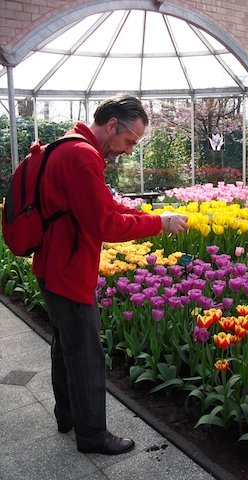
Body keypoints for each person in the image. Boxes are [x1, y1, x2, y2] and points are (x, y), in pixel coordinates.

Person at [32, 94, 188, 455]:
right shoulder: (84, 156)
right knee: (85, 355)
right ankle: (92, 436)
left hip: (53, 264)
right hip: (69, 271)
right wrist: (159, 223)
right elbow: (103, 223)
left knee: (66, 347)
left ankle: (66, 415)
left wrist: (139, 214)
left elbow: (102, 204)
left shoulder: (70, 144)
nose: (130, 149)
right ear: (112, 125)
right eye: (130, 140)